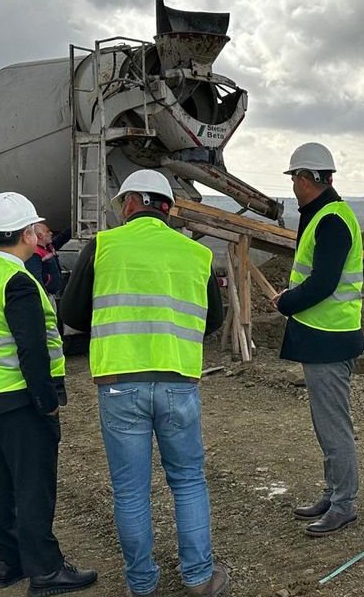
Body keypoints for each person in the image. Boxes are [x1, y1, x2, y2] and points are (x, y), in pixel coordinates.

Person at [60, 170, 228, 597]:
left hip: (120, 382)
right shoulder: (195, 254)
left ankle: (141, 583)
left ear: (131, 202)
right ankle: (198, 577)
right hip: (178, 380)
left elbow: (74, 314)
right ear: (167, 208)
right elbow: (215, 320)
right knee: (188, 480)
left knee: (131, 489)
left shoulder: (104, 246)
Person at [0, 192, 98, 596]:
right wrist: (47, 402)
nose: (40, 233)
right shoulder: (18, 280)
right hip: (20, 400)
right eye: (36, 227)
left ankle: (7, 563)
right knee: (33, 484)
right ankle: (46, 570)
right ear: (26, 234)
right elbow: (32, 348)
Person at [272, 142, 364, 537]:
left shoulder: (331, 220)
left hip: (330, 337)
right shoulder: (323, 216)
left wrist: (286, 302)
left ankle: (344, 503)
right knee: (325, 422)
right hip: (323, 335)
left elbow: (324, 283)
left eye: (295, 177)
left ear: (309, 179)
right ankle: (333, 493)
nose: (293, 184)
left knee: (332, 424)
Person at [24, 223, 71, 295]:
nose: (51, 233)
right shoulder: (35, 254)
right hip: (46, 294)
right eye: (47, 231)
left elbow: (62, 237)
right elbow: (36, 278)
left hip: (52, 293)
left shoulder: (49, 247)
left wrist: (75, 225)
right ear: (40, 236)